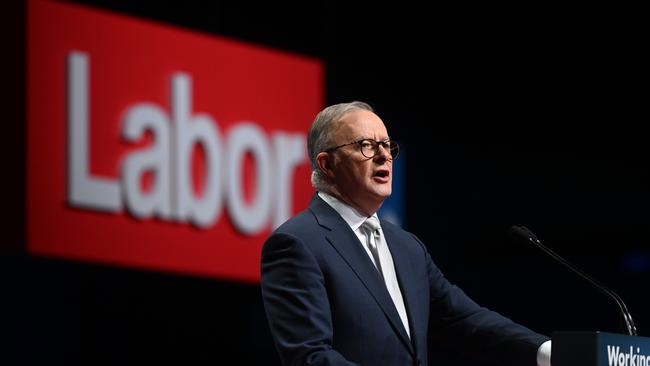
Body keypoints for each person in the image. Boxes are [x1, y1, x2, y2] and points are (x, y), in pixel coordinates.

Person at [260, 101, 552, 366]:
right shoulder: (298, 243)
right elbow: (309, 357)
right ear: (327, 164)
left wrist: (549, 351)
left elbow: (465, 319)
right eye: (366, 145)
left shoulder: (407, 246)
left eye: (387, 146)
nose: (384, 155)